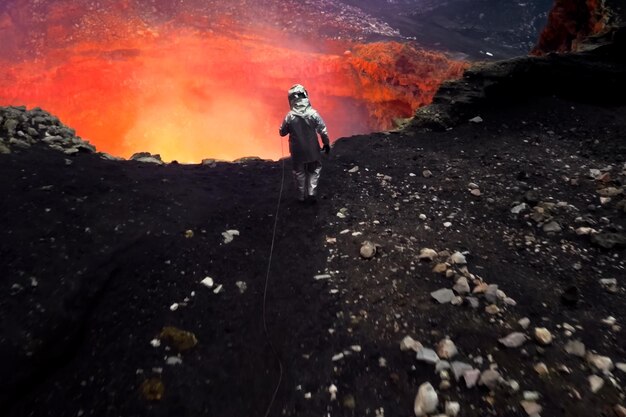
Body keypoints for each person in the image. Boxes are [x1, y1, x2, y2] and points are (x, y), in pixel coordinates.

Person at [279, 84, 331, 204]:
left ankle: (300, 197)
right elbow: (323, 130)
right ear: (305, 96)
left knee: (299, 172)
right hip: (312, 149)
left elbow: (282, 132)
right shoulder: (313, 113)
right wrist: (326, 144)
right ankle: (312, 193)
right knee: (314, 170)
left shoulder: (290, 116)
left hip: (297, 151)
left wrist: (282, 128)